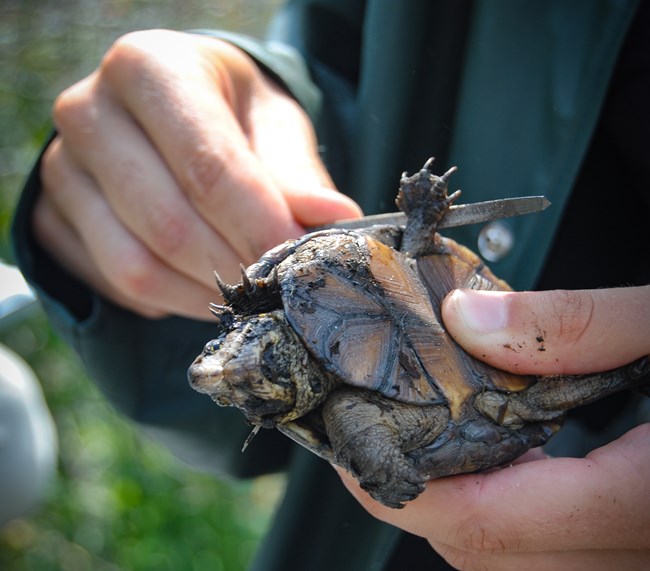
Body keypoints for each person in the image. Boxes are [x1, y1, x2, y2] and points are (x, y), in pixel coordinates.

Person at [12, 0, 650, 569]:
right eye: (245, 391)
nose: (233, 375)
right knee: (529, 395)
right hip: (488, 400)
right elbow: (341, 70)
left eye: (240, 362)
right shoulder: (345, 403)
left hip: (462, 378)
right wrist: (261, 91)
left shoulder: (317, 349)